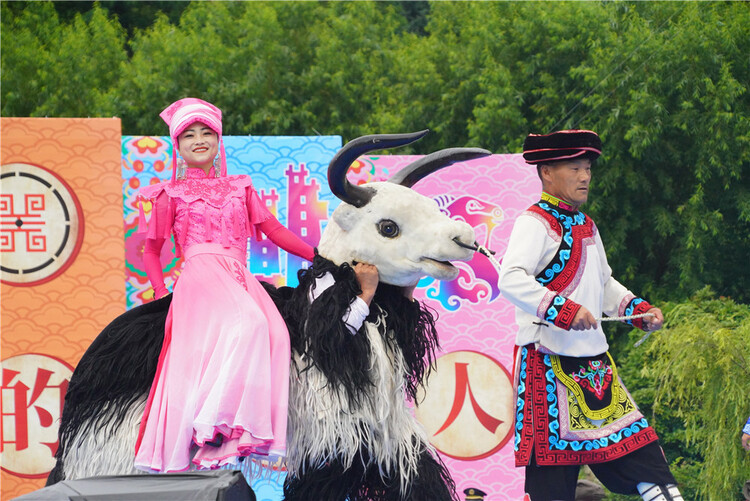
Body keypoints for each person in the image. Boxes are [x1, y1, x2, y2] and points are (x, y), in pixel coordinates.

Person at [498, 130, 683, 501]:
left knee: (645, 460)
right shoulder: (534, 223)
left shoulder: (586, 224)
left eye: (587, 169)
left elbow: (604, 283)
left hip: (593, 367)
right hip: (548, 368)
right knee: (553, 486)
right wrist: (564, 311)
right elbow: (511, 279)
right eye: (575, 168)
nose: (585, 176)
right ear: (547, 172)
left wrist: (637, 310)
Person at [133, 98, 315, 473]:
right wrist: (159, 289)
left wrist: (320, 256)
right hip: (200, 276)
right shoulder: (170, 194)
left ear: (218, 140)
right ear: (177, 145)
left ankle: (237, 435)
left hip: (237, 275)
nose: (199, 140)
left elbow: (274, 230)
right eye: (188, 135)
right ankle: (210, 425)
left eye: (206, 133)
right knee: (249, 324)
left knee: (277, 335)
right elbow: (151, 250)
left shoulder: (240, 187)